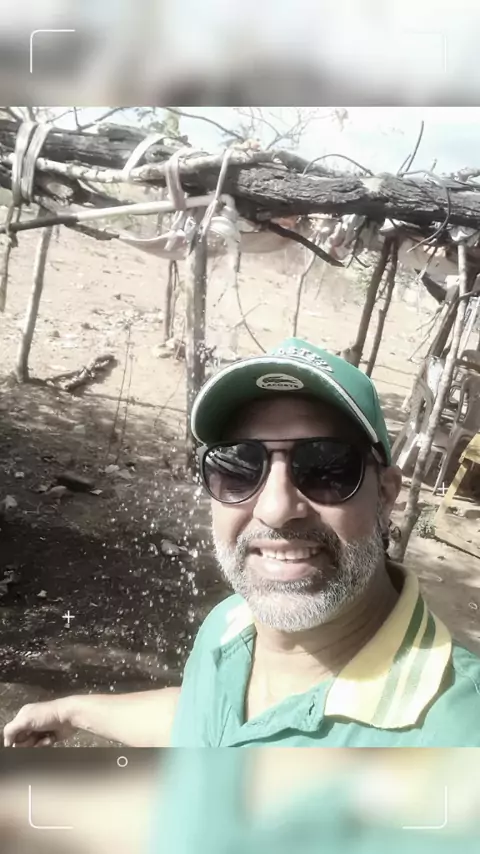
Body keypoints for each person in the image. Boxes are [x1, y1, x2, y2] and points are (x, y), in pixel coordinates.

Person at [4, 337, 480, 748]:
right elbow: (207, 722)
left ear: (387, 495)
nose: (275, 508)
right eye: (239, 467)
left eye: (326, 468)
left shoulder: (456, 731)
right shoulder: (231, 623)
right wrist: (74, 711)